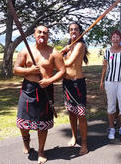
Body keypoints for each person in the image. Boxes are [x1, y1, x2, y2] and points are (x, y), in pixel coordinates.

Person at [13, 25, 65, 164]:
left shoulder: (54, 52)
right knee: (23, 124)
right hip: (28, 89)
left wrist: (49, 80)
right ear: (34, 35)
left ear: (48, 36)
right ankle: (26, 141)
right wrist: (29, 70)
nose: (42, 35)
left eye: (45, 33)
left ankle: (41, 151)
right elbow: (16, 69)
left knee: (42, 124)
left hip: (45, 90)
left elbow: (62, 71)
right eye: (39, 32)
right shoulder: (25, 51)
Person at [62, 22, 89, 155]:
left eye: (76, 29)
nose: (73, 31)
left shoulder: (80, 45)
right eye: (71, 29)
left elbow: (67, 63)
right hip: (67, 84)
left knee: (81, 114)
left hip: (77, 83)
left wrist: (56, 57)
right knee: (71, 112)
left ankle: (84, 144)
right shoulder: (69, 46)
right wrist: (63, 51)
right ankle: (74, 136)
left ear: (80, 32)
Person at [100, 30, 121, 140]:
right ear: (111, 39)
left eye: (118, 37)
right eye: (114, 37)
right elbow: (104, 67)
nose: (116, 39)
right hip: (110, 81)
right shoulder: (107, 51)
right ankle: (112, 128)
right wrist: (101, 81)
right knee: (111, 106)